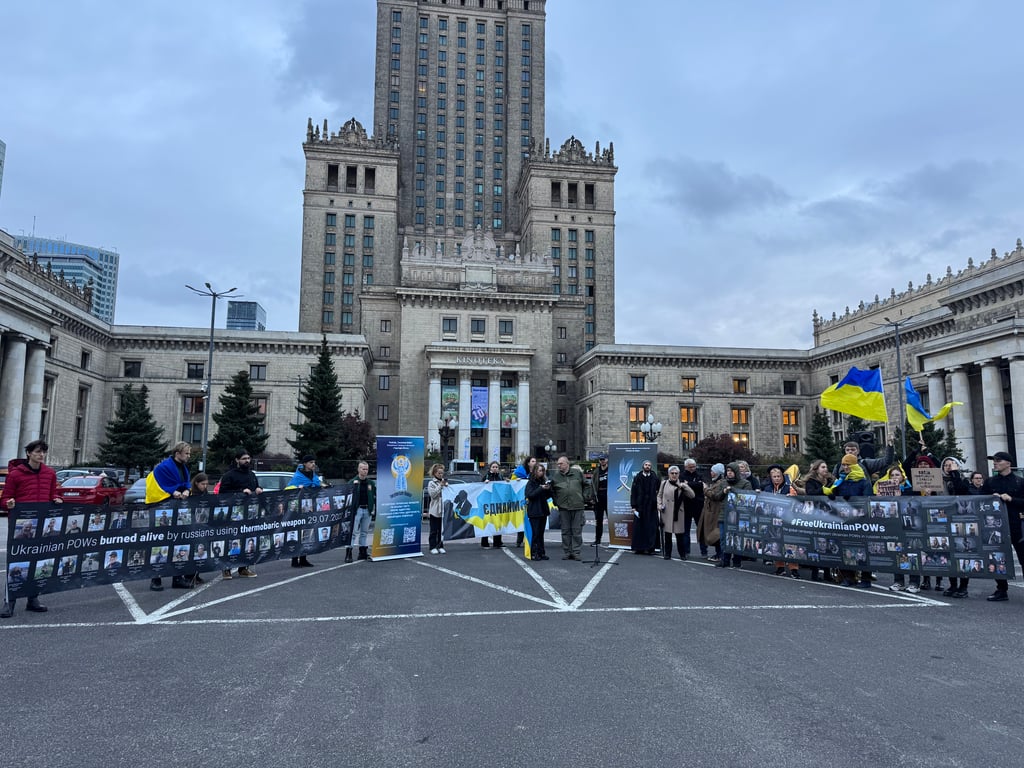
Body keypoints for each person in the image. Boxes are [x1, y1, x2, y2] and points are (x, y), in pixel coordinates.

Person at [1, 439, 62, 617]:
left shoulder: (50, 474)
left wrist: (57, 500)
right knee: (16, 563)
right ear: (28, 453)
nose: (41, 455)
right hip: (21, 526)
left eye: (43, 452)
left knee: (37, 561)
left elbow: (52, 495)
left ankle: (32, 599)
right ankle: (9, 602)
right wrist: (9, 504)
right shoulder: (15, 474)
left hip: (42, 525)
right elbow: (4, 499)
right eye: (37, 452)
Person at [143, 441, 193, 591]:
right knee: (160, 544)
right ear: (178, 453)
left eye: (189, 453)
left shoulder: (184, 468)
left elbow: (186, 484)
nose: (189, 456)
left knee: (178, 543)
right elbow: (157, 485)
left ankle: (177, 577)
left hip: (178, 509)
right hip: (163, 508)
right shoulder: (163, 467)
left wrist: (186, 491)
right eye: (187, 453)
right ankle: (156, 579)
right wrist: (172, 491)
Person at [825, 454, 871, 587]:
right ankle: (848, 577)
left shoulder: (863, 481)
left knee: (863, 549)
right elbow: (833, 495)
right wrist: (833, 492)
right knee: (846, 547)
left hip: (860, 520)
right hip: (844, 520)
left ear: (854, 465)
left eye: (848, 465)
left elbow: (867, 499)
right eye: (843, 465)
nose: (845, 467)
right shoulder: (841, 480)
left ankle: (866, 577)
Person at [985, 452, 1024, 602]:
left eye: (998, 460)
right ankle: (1001, 589)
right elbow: (979, 499)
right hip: (995, 526)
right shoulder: (990, 482)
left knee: (1023, 558)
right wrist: (990, 498)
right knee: (996, 558)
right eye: (994, 461)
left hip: (1017, 525)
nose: (995, 463)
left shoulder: (1019, 482)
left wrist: (1011, 499)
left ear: (1008, 463)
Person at [217, 448, 262, 578]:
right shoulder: (229, 475)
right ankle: (226, 568)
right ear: (237, 460)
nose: (247, 461)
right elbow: (223, 493)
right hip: (233, 514)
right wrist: (241, 491)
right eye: (244, 459)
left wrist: (258, 489)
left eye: (248, 458)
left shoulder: (252, 474)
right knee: (230, 541)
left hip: (249, 514)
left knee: (246, 540)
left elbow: (255, 488)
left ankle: (244, 567)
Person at [799, 459, 832, 581]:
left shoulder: (830, 480)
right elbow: (811, 494)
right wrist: (823, 490)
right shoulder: (811, 481)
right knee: (816, 542)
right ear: (817, 469)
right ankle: (815, 572)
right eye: (823, 467)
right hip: (815, 515)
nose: (825, 469)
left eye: (826, 467)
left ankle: (828, 572)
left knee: (827, 542)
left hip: (828, 515)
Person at [764, 464, 799, 578]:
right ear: (771, 477)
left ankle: (794, 569)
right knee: (776, 543)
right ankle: (780, 567)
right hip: (774, 520)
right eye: (774, 476)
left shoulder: (788, 487)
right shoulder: (768, 488)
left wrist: (792, 496)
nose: (777, 478)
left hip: (787, 520)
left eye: (779, 476)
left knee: (790, 544)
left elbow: (796, 499)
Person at [549, 455, 587, 560]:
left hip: (577, 506)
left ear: (567, 464)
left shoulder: (577, 474)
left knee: (576, 530)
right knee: (565, 530)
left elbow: (587, 485)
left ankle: (576, 552)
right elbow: (552, 491)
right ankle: (567, 551)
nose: (559, 465)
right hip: (563, 507)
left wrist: (585, 497)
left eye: (561, 463)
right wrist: (556, 501)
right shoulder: (556, 477)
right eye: (558, 464)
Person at [287, 455, 321, 568]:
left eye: (314, 462)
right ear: (305, 464)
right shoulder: (298, 477)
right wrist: (297, 488)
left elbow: (318, 487)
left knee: (307, 533)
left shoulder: (314, 476)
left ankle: (303, 558)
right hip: (299, 510)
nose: (313, 464)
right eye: (311, 462)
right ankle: (294, 559)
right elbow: (288, 489)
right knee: (297, 533)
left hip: (310, 509)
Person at [717, 462, 752, 568]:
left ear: (736, 472)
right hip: (724, 514)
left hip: (739, 515)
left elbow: (748, 497)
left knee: (737, 538)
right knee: (724, 538)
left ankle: (737, 560)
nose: (729, 473)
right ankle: (725, 560)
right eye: (728, 471)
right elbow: (717, 497)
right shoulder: (723, 483)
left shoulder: (745, 483)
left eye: (731, 471)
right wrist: (723, 492)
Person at [657, 466, 695, 560]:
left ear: (678, 474)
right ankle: (667, 554)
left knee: (679, 536)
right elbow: (659, 495)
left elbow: (692, 495)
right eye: (672, 473)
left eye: (676, 473)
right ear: (669, 474)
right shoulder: (664, 483)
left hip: (678, 513)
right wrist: (659, 505)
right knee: (668, 535)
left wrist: (685, 486)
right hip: (667, 512)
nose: (674, 475)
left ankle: (682, 554)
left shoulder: (681, 484)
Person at [347, 460, 377, 562]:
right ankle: (349, 553)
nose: (365, 471)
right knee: (353, 532)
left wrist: (372, 507)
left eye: (366, 469)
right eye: (363, 469)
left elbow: (374, 495)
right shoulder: (352, 482)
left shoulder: (371, 483)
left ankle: (362, 552)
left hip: (367, 510)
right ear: (358, 469)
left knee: (364, 532)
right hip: (357, 509)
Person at [629, 459, 660, 555]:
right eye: (646, 465)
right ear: (643, 466)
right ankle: (639, 548)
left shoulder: (655, 478)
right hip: (640, 507)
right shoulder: (637, 477)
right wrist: (633, 506)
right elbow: (633, 492)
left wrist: (658, 503)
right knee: (639, 528)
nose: (647, 466)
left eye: (649, 465)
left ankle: (650, 548)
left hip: (651, 507)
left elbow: (659, 491)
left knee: (651, 528)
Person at [679, 459, 709, 559]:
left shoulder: (700, 475)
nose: (692, 468)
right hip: (686, 506)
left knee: (701, 530)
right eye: (690, 467)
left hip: (698, 506)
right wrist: (695, 484)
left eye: (694, 466)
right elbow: (682, 486)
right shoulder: (682, 476)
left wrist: (689, 484)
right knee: (685, 531)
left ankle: (704, 551)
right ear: (686, 467)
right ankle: (686, 551)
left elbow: (702, 486)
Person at [524, 462, 553, 561]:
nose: (541, 473)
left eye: (543, 471)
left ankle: (541, 552)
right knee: (535, 533)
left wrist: (548, 489)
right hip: (534, 511)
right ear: (535, 471)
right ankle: (534, 553)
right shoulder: (530, 482)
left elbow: (547, 496)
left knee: (541, 533)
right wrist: (541, 488)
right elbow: (530, 495)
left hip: (543, 510)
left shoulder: (543, 481)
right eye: (540, 470)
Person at [511, 456, 537, 547]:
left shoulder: (537, 472)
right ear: (528, 463)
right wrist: (516, 481)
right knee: (521, 519)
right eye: (533, 461)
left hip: (532, 499)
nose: (535, 463)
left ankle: (530, 540)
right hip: (520, 499)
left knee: (531, 520)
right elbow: (511, 482)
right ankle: (519, 540)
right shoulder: (519, 472)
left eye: (535, 461)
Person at [480, 461, 505, 548]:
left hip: (497, 503)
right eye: (493, 467)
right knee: (486, 522)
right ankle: (484, 542)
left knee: (498, 523)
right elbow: (480, 487)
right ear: (490, 468)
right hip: (488, 503)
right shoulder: (486, 476)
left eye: (496, 467)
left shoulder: (500, 477)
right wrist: (484, 483)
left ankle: (497, 542)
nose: (495, 468)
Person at [589, 453, 610, 546]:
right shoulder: (596, 471)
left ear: (607, 460)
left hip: (609, 497)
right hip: (599, 497)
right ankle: (598, 539)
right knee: (598, 520)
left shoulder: (611, 470)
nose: (602, 461)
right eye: (601, 459)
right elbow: (592, 484)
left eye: (604, 459)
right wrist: (592, 497)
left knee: (611, 519)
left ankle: (614, 539)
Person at [426, 463, 447, 554]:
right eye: (439, 473)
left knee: (441, 530)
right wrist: (440, 486)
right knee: (434, 529)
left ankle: (440, 545)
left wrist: (446, 486)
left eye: (442, 473)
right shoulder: (431, 483)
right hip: (435, 509)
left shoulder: (444, 482)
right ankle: (432, 546)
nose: (441, 475)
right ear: (434, 473)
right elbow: (433, 494)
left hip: (443, 509)